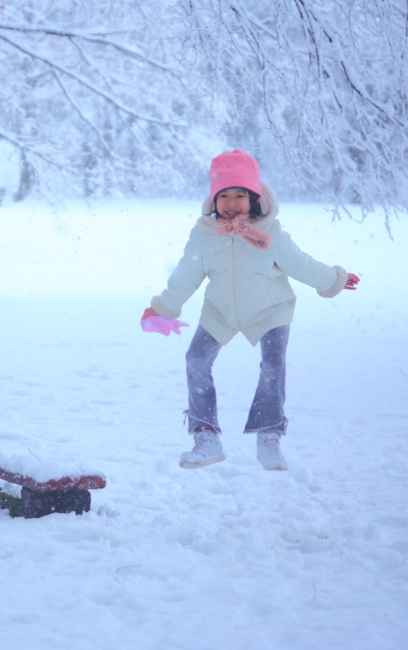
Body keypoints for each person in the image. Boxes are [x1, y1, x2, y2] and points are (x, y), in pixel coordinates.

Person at [141, 149, 359, 471]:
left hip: (271, 310)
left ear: (254, 197)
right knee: (196, 359)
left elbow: (301, 265)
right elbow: (185, 276)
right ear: (213, 199)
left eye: (240, 195)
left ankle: (269, 434)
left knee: (273, 365)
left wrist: (334, 279)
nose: (231, 202)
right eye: (224, 195)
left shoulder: (271, 234)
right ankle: (206, 436)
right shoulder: (204, 235)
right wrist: (163, 308)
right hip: (220, 311)